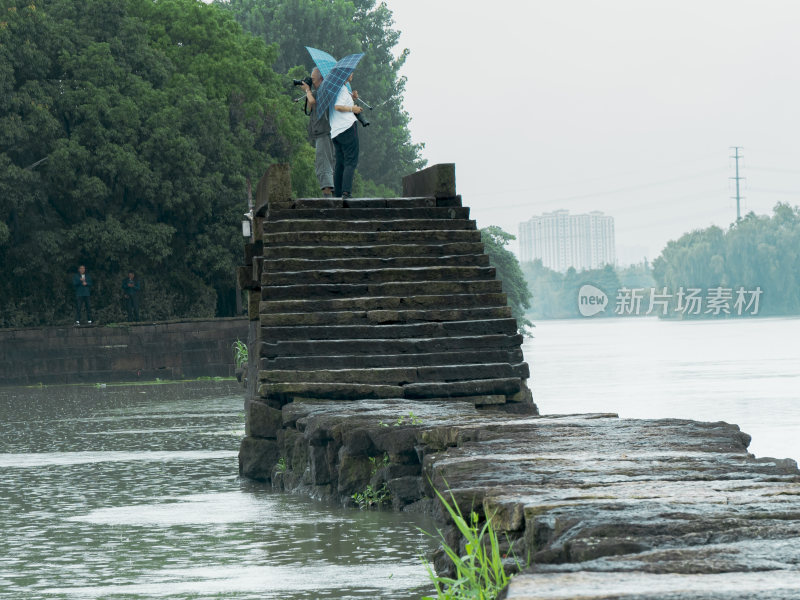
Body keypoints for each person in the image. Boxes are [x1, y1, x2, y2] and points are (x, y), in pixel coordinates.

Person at [301, 68, 335, 197]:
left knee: (323, 164)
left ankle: (328, 198)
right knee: (325, 163)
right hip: (321, 133)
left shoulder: (324, 91)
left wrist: (308, 90)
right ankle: (330, 196)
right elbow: (309, 108)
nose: (311, 81)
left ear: (321, 79)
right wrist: (308, 91)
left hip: (324, 133)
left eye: (313, 79)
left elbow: (313, 102)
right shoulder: (318, 92)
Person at [330, 73, 363, 199]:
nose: (352, 74)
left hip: (336, 131)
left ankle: (338, 193)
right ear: (344, 74)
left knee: (340, 162)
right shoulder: (342, 89)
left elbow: (340, 103)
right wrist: (353, 109)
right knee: (351, 160)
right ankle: (346, 192)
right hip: (347, 127)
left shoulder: (334, 88)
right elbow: (338, 106)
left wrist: (352, 98)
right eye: (350, 72)